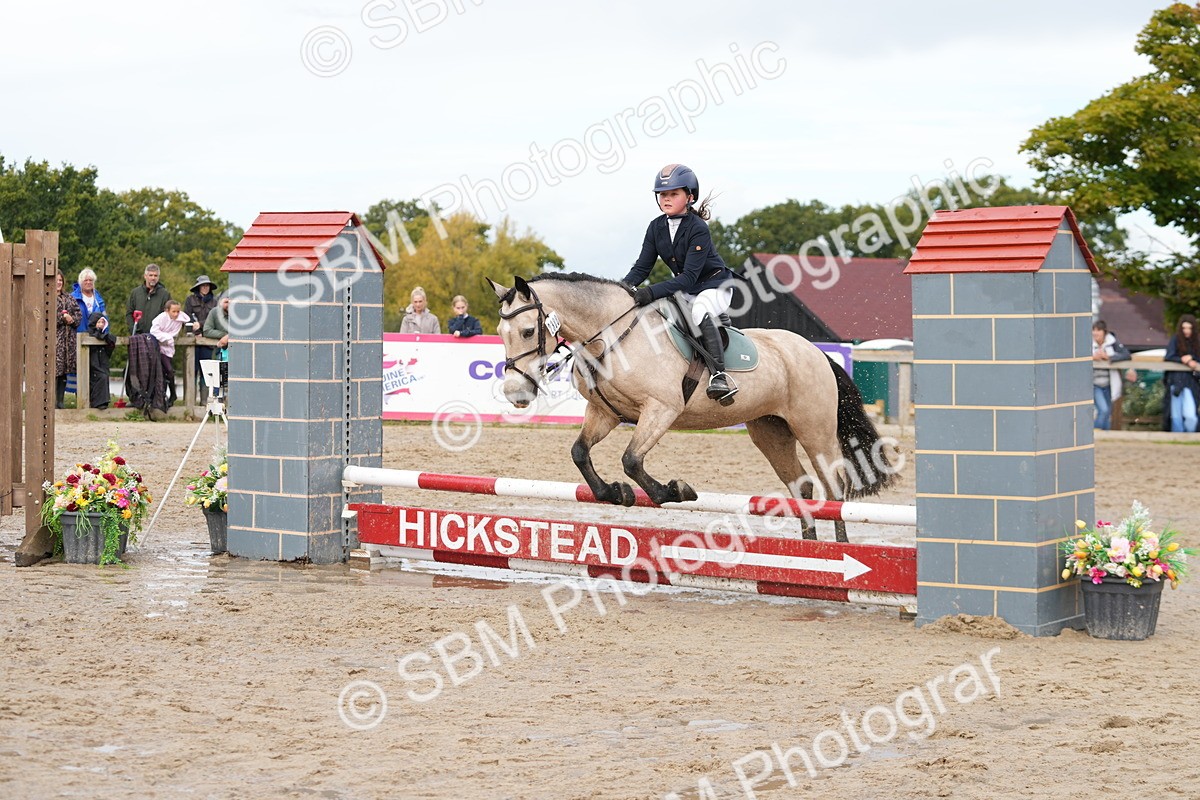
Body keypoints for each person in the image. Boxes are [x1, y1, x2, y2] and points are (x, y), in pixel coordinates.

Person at [622, 163, 742, 404]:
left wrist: (650, 292)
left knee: (699, 310)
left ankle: (720, 375)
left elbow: (688, 278)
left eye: (673, 194)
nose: (666, 198)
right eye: (663, 194)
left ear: (689, 197)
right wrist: (622, 289)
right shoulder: (656, 227)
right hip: (687, 289)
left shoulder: (698, 228)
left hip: (714, 286)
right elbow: (642, 268)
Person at [149, 300, 193, 407]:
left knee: (169, 370)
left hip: (168, 348)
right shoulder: (160, 319)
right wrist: (167, 337)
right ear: (167, 311)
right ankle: (162, 396)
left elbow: (187, 323)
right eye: (173, 311)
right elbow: (154, 331)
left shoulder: (180, 319)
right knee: (161, 372)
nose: (176, 314)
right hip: (157, 347)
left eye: (178, 311)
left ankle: (172, 394)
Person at [1091, 320, 1130, 431]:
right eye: (1094, 331)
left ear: (1104, 332)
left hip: (1109, 383)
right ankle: (1095, 433)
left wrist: (1109, 357)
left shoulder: (1113, 342)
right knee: (1103, 410)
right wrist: (1092, 358)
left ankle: (1105, 435)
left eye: (1098, 331)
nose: (1095, 334)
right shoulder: (1087, 343)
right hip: (1094, 383)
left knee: (1107, 412)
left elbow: (1126, 355)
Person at [1164, 314, 1200, 433]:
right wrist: (1183, 360)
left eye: (1189, 328)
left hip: (1191, 382)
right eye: (1184, 328)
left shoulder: (1197, 341)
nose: (1186, 331)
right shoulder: (1175, 339)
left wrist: (1191, 358)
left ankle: (1189, 436)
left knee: (1190, 416)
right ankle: (1177, 438)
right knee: (1176, 415)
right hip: (1176, 380)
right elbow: (1169, 356)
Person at [184, 274, 219, 396]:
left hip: (208, 341)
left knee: (207, 371)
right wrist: (197, 332)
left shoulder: (215, 302)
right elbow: (186, 318)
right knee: (191, 371)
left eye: (207, 285)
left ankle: (205, 400)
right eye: (203, 285)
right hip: (192, 340)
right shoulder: (190, 300)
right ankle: (189, 399)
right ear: (198, 287)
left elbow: (216, 319)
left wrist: (201, 324)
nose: (205, 288)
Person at [54, 273, 83, 409]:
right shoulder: (46, 297)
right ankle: (51, 401)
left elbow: (78, 314)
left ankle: (60, 401)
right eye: (56, 280)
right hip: (54, 340)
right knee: (54, 370)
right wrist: (61, 317)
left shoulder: (70, 298)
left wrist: (72, 319)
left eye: (60, 280)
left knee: (65, 371)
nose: (59, 282)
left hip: (68, 341)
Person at [126, 263, 172, 335]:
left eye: (155, 275)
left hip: (157, 336)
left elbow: (169, 315)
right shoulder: (135, 293)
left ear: (158, 277)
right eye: (150, 275)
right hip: (137, 335)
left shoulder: (165, 294)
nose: (153, 278)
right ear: (145, 276)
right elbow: (129, 313)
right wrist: (133, 329)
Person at [85, 309, 116, 410]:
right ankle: (97, 402)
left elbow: (109, 349)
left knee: (104, 376)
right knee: (100, 377)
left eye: (103, 322)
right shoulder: (89, 336)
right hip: (93, 364)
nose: (101, 324)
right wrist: (98, 334)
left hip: (102, 363)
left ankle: (104, 401)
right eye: (99, 322)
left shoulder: (106, 336)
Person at [70, 268, 106, 336]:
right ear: (80, 282)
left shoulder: (99, 299)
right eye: (85, 280)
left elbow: (105, 319)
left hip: (96, 338)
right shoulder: (73, 298)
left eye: (90, 280)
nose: (88, 282)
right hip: (78, 337)